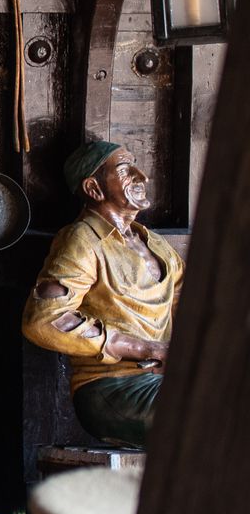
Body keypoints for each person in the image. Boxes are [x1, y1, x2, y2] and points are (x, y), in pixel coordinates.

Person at [20, 141, 181, 448]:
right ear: (93, 189)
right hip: (113, 390)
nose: (141, 176)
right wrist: (148, 348)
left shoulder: (157, 245)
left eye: (135, 165)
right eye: (124, 169)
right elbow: (43, 320)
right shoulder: (82, 239)